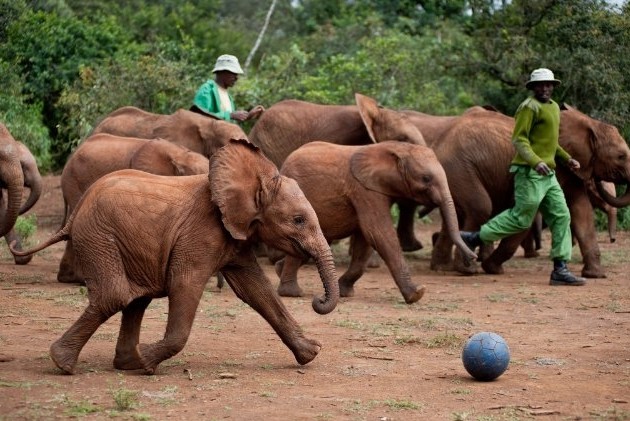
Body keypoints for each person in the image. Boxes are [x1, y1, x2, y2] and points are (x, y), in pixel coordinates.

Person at [460, 68, 586, 286]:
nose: (545, 88)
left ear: (553, 86)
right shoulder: (529, 108)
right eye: (540, 85)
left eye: (548, 84)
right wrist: (535, 162)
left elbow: (549, 142)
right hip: (530, 173)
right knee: (521, 218)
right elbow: (519, 140)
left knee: (561, 215)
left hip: (549, 174)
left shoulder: (555, 107)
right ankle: (474, 238)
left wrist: (567, 159)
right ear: (533, 87)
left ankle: (560, 268)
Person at [191, 54, 264, 123]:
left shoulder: (228, 96)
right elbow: (198, 117)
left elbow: (227, 123)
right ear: (222, 71)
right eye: (233, 73)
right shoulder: (207, 89)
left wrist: (248, 116)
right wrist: (230, 115)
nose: (236, 78)